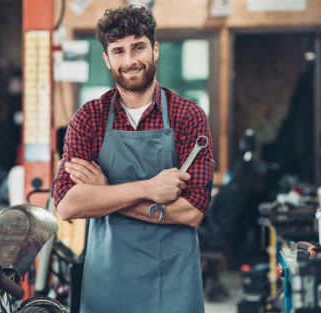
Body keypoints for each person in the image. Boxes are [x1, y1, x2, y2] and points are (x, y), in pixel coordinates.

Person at [53, 5, 214, 313]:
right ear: (106, 59)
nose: (129, 61)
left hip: (174, 284)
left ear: (154, 50)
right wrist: (148, 188)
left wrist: (104, 190)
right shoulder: (89, 118)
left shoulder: (188, 115)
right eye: (118, 51)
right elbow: (68, 204)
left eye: (138, 47)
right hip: (108, 285)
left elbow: (192, 211)